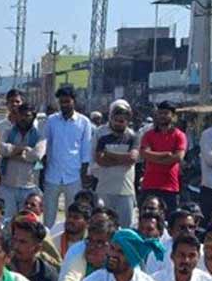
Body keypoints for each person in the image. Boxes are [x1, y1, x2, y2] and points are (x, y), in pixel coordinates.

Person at [42, 85, 94, 226]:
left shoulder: (84, 122)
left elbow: (85, 151)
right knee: (49, 217)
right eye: (62, 102)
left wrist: (83, 176)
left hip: (74, 176)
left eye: (67, 101)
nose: (64, 105)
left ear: (74, 101)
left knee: (73, 216)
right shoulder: (51, 121)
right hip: (52, 175)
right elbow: (44, 146)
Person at [91, 100, 139, 228]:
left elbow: (132, 159)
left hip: (126, 190)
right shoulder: (101, 134)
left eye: (122, 121)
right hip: (104, 188)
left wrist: (109, 154)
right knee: (102, 227)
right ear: (111, 118)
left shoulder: (133, 136)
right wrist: (122, 159)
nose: (118, 123)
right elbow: (100, 160)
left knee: (125, 229)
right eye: (116, 120)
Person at [138, 101, 186, 216]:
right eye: (160, 113)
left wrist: (154, 157)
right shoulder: (148, 135)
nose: (162, 116)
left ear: (173, 116)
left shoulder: (179, 135)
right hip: (149, 185)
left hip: (170, 186)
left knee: (170, 221)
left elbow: (179, 157)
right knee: (147, 219)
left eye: (166, 113)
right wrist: (166, 154)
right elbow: (144, 154)